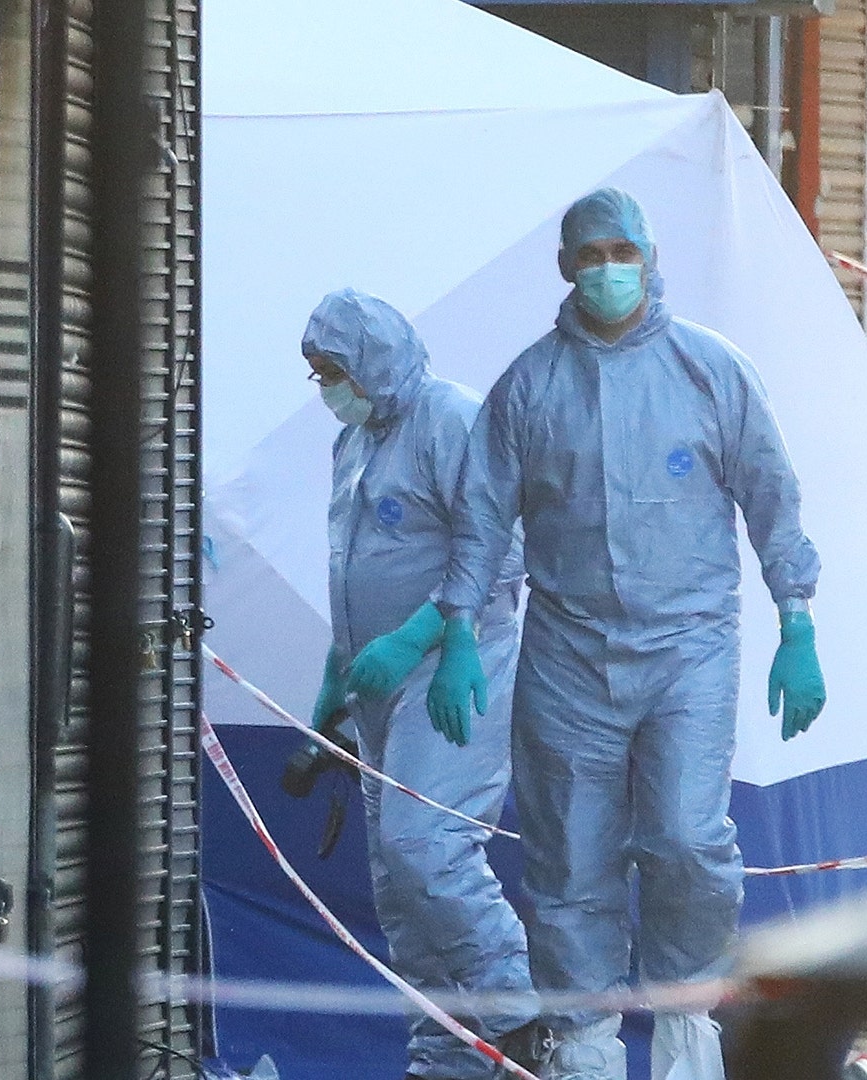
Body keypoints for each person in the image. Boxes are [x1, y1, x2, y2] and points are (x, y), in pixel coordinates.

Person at [427, 188, 827, 1080]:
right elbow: (481, 516)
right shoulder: (529, 386)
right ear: (566, 268)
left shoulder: (711, 371)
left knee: (686, 837)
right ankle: (584, 1044)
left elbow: (772, 495)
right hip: (568, 654)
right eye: (589, 254)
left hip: (690, 648)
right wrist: (457, 628)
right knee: (568, 853)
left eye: (622, 252)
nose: (608, 269)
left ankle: (687, 1018)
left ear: (649, 256)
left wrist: (795, 622)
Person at [298, 288, 548, 1080]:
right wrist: (336, 675)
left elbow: (502, 551)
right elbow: (355, 561)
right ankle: (445, 1056)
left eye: (334, 370)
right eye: (316, 374)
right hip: (377, 687)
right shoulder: (359, 442)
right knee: (399, 888)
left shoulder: (450, 421)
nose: (327, 388)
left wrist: (412, 640)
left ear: (374, 360)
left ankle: (515, 1017)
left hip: (451, 667)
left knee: (427, 847)